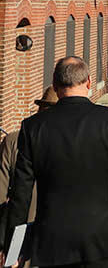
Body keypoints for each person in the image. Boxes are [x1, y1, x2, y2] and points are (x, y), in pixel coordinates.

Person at [3, 57, 108, 267]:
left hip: (53, 241)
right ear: (89, 82)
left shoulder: (33, 127)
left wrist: (14, 246)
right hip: (104, 238)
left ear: (55, 86)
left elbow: (22, 192)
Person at [0, 86, 58, 241]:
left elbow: (1, 192)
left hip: (21, 235)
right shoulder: (72, 144)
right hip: (58, 240)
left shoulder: (13, 141)